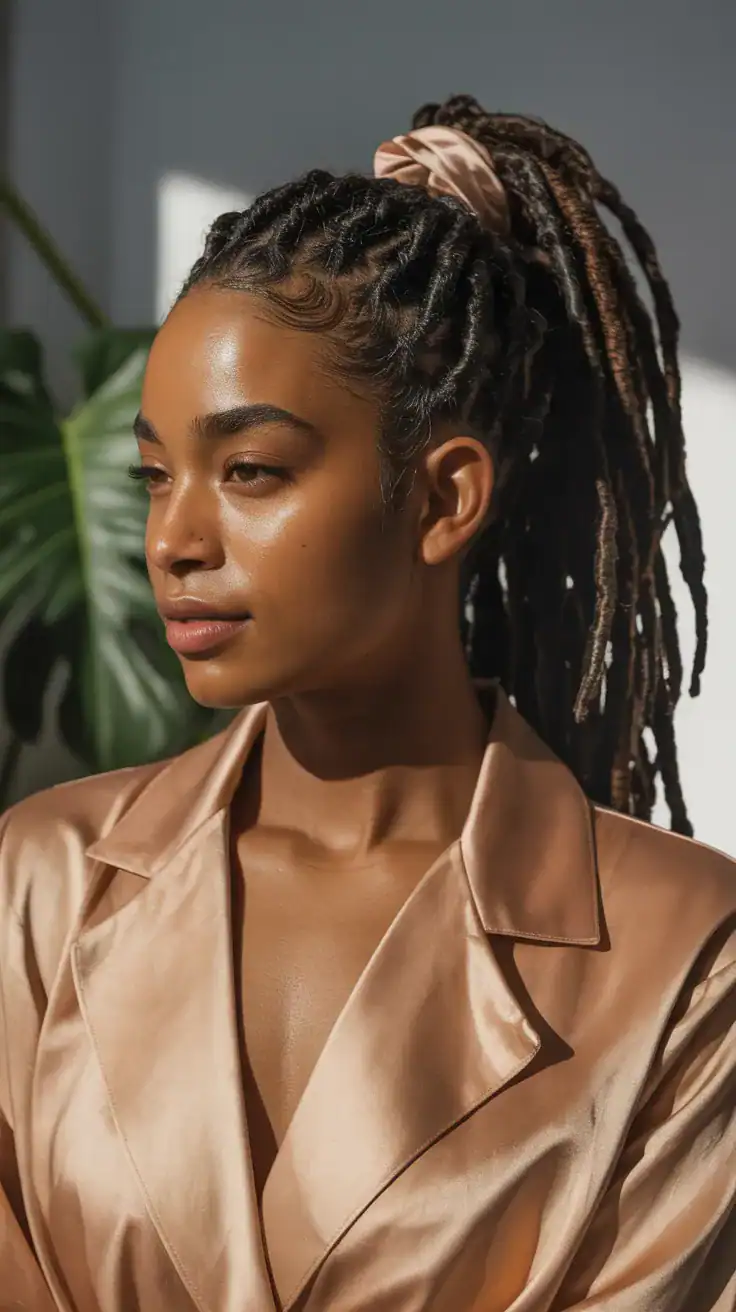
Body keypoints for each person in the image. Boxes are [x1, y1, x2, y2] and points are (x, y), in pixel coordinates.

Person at [0, 96, 734, 1312]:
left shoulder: (685, 957)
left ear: (444, 498)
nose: (175, 537)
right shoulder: (37, 884)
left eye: (250, 471)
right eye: (155, 474)